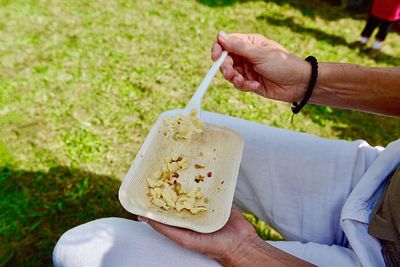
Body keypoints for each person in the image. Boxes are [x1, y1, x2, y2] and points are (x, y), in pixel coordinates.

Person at [53, 32, 400, 267]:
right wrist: (305, 78)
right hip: (382, 176)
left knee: (82, 249)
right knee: (178, 124)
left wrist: (244, 252)